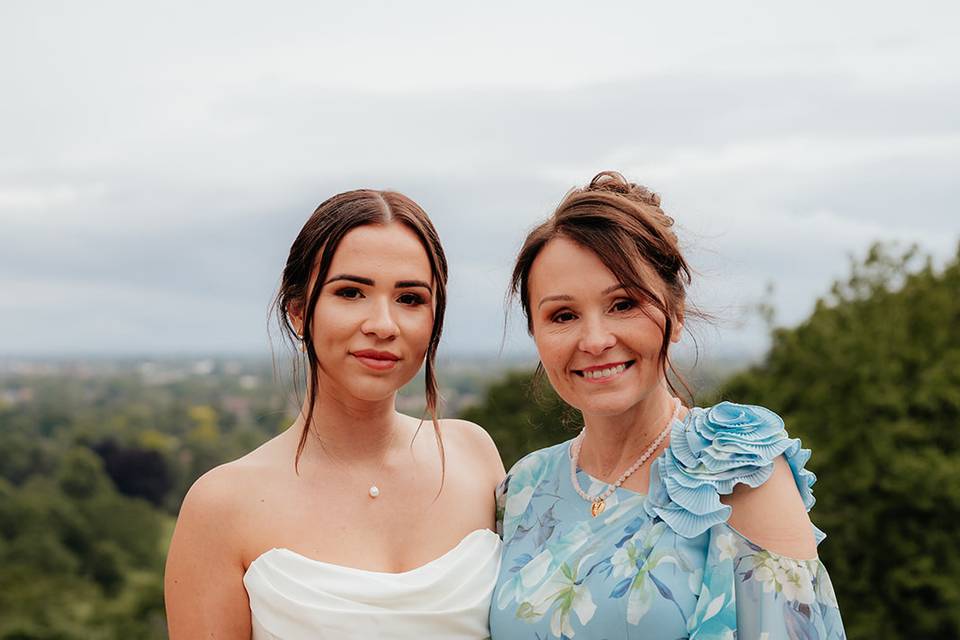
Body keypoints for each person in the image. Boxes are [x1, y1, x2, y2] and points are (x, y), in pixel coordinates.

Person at [490, 172, 845, 639]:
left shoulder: (738, 474)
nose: (595, 340)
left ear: (674, 315)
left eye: (623, 304)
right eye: (563, 315)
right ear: (536, 335)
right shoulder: (522, 488)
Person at [165, 189, 505, 639]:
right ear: (300, 312)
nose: (383, 324)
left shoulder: (473, 455)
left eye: (410, 299)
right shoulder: (221, 506)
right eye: (351, 292)